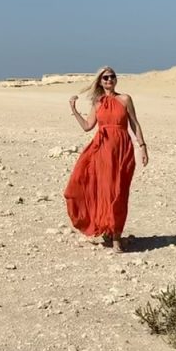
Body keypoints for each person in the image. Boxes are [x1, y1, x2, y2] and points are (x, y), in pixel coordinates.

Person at [63, 66, 148, 252]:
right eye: (105, 78)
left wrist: (142, 146)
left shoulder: (125, 99)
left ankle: (116, 235)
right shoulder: (97, 102)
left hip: (122, 150)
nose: (109, 80)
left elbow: (134, 123)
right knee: (104, 191)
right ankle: (108, 231)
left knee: (119, 192)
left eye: (112, 77)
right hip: (101, 151)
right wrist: (74, 110)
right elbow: (87, 126)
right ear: (100, 82)